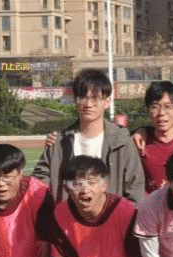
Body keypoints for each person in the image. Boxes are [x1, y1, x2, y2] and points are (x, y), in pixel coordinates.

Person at [34, 68, 145, 204]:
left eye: (95, 98)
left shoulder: (121, 142)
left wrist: (120, 215)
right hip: (66, 216)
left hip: (111, 216)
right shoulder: (59, 142)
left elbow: (135, 189)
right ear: (75, 101)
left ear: (107, 102)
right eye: (82, 97)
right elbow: (38, 183)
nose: (88, 104)